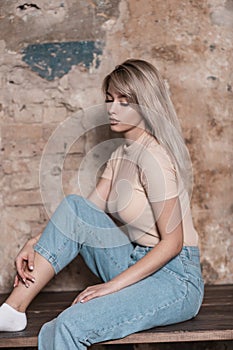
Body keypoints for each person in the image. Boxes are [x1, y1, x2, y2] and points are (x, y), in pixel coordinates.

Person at [0, 59, 204, 349]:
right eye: (109, 99)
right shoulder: (121, 155)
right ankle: (13, 310)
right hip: (135, 260)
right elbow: (83, 215)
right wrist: (35, 241)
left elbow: (173, 243)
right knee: (74, 206)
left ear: (146, 104)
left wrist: (109, 287)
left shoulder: (154, 159)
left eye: (124, 101)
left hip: (175, 278)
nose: (112, 108)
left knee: (70, 325)